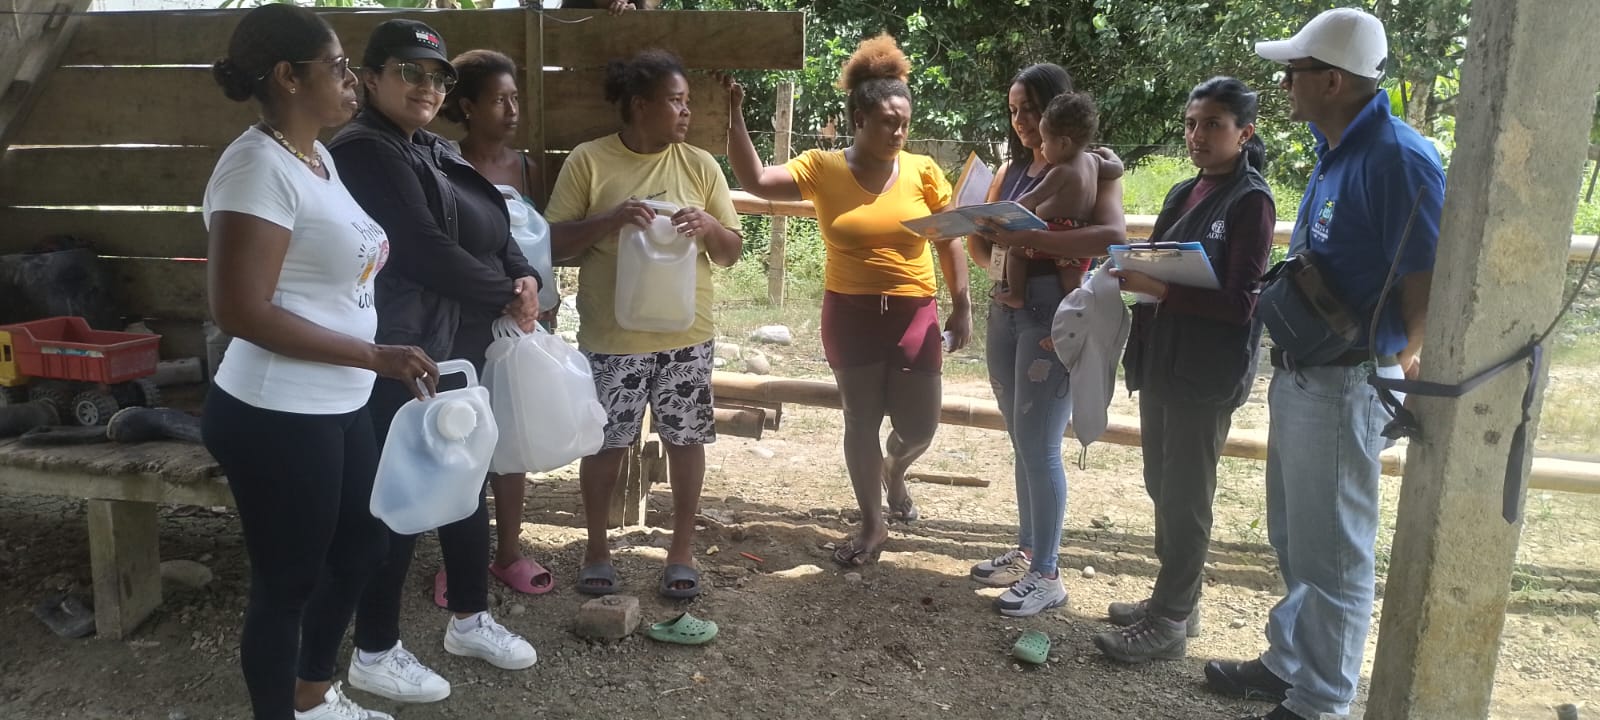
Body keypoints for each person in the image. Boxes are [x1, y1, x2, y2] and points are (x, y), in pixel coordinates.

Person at [1204, 10, 1445, 720]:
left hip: (1347, 377)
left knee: (1334, 549)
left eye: (1295, 73)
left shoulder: (1397, 158)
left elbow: (1428, 279)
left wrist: (1406, 364)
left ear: (1333, 81)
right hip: (1309, 370)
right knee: (1296, 534)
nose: (1285, 84)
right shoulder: (1341, 148)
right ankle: (1290, 663)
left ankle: (1322, 700)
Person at [201, 5, 437, 718]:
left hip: (339, 400)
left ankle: (309, 696)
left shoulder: (316, 157)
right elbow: (241, 310)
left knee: (362, 545)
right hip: (276, 410)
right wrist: (373, 354)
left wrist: (367, 360)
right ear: (288, 76)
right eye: (336, 67)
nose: (351, 80)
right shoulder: (255, 167)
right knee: (287, 584)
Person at [329, 18, 543, 705]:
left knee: (464, 479)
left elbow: (495, 223)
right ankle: (375, 649)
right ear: (370, 79)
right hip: (396, 351)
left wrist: (523, 276)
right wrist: (506, 292)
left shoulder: (433, 148)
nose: (426, 86)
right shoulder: (365, 150)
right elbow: (420, 249)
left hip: (451, 345)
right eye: (409, 72)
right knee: (397, 498)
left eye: (438, 76)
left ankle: (470, 619)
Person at [726, 34, 973, 566]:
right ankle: (872, 523)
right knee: (860, 419)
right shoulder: (823, 168)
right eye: (888, 122)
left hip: (914, 313)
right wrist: (733, 117)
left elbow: (950, 239)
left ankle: (895, 469)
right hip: (850, 314)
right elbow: (756, 180)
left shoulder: (923, 171)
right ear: (859, 119)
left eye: (904, 123)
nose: (899, 132)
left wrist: (963, 304)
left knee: (919, 427)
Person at [1091, 77, 1276, 663]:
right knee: (1160, 483)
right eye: (1192, 123)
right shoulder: (1185, 191)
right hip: (1162, 360)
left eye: (1213, 124)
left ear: (1244, 133)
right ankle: (1178, 600)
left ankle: (1169, 620)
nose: (1198, 135)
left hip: (1205, 370)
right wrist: (1130, 269)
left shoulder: (1251, 201)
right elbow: (1160, 260)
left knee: (1186, 498)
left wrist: (1162, 289)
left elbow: (1243, 302)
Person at [545, 49, 743, 598]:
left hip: (687, 336)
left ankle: (681, 551)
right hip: (614, 338)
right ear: (639, 105)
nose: (686, 112)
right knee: (606, 444)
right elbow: (552, 243)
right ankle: (596, 550)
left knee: (685, 440)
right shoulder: (590, 161)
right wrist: (610, 220)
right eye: (676, 101)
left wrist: (709, 227)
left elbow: (731, 253)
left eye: (688, 102)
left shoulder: (699, 165)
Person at [965, 63, 1126, 617]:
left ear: (1056, 109)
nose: (1021, 121)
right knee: (1022, 438)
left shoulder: (1091, 166)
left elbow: (1111, 236)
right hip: (1005, 308)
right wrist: (982, 236)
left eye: (1030, 109)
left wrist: (1029, 238)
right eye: (1013, 110)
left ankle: (1048, 574)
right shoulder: (1012, 169)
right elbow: (984, 247)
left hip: (1052, 313)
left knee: (1039, 444)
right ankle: (1029, 550)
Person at [439, 47, 560, 596]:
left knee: (511, 440)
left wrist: (537, 298)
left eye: (515, 99)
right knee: (462, 437)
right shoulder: (443, 164)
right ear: (466, 106)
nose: (512, 111)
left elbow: (537, 242)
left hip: (523, 324)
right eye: (498, 100)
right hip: (462, 323)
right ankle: (458, 558)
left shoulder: (526, 167)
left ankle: (508, 552)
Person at [993, 92, 1123, 312]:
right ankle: (1077, 316)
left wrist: (1008, 212)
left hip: (1054, 230)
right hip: (1078, 238)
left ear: (1063, 143)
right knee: (1073, 288)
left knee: (1015, 251)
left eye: (1045, 141)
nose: (1042, 147)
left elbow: (1034, 197)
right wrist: (1109, 153)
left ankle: (1016, 294)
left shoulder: (1061, 171)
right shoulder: (1094, 161)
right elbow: (1118, 169)